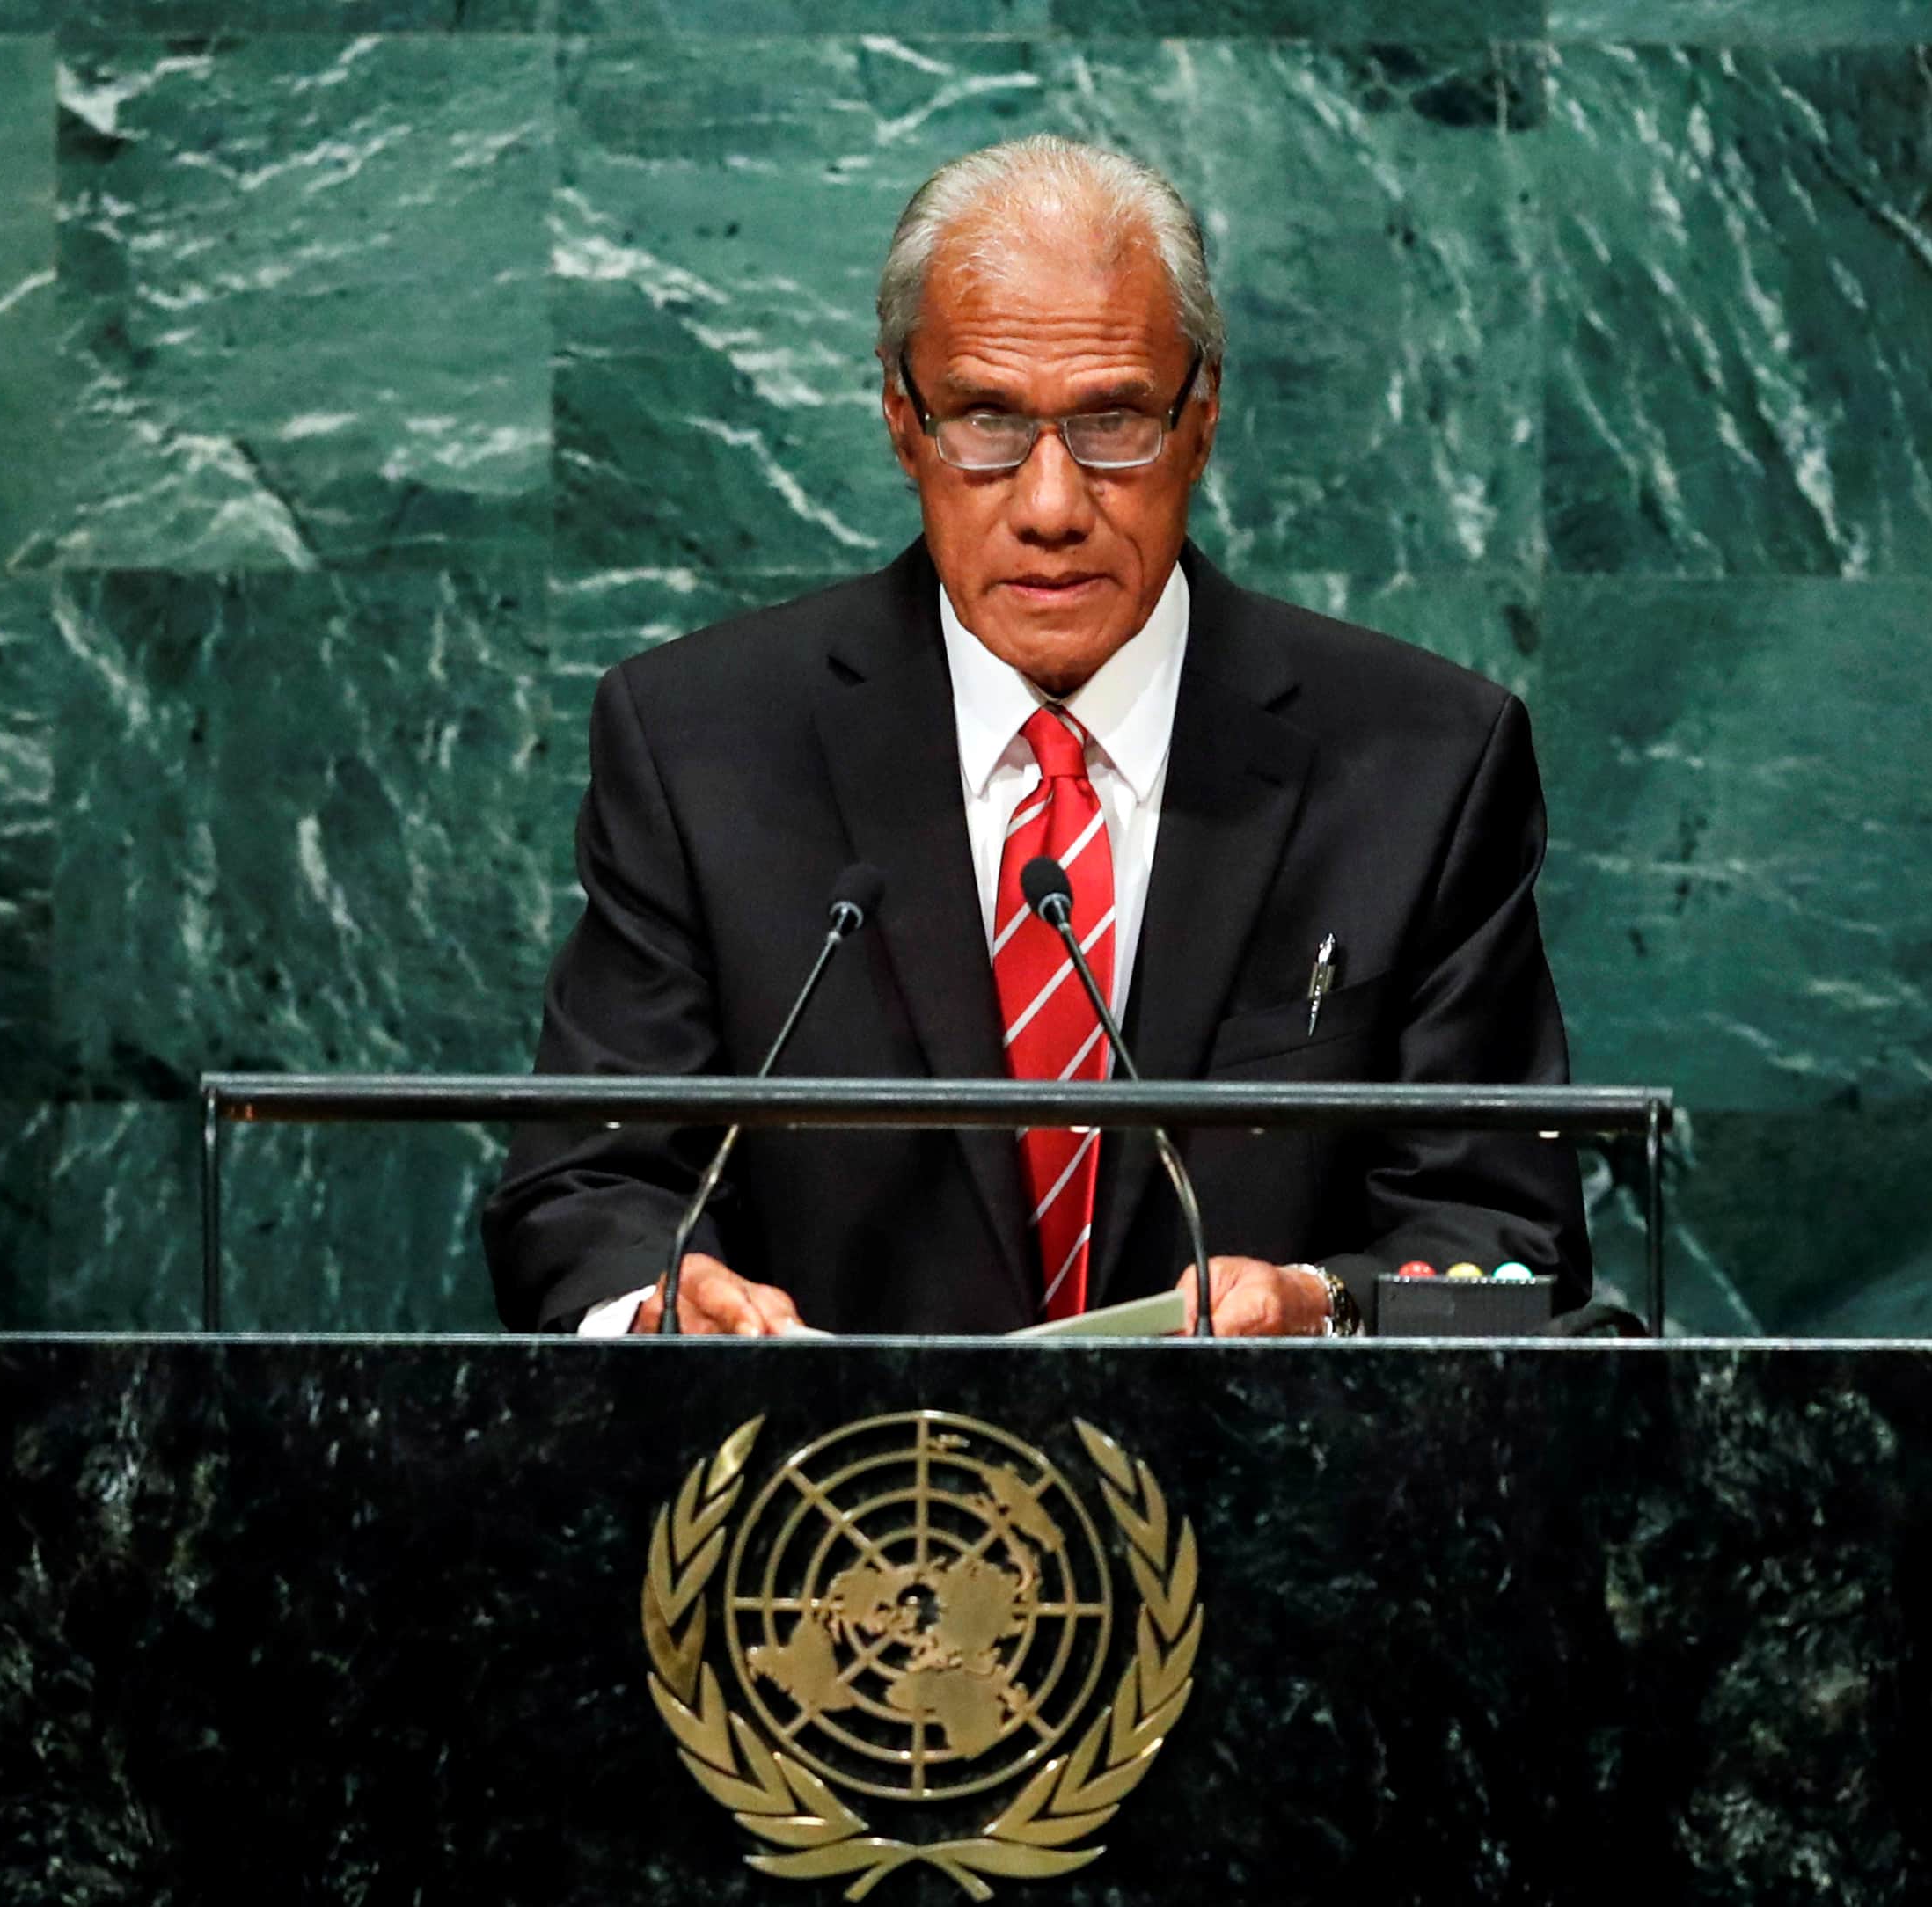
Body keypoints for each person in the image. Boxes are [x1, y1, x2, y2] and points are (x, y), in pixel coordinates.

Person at [482, 136, 1588, 1338]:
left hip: (1271, 1497)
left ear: (1201, 420)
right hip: (832, 1506)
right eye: (987, 423)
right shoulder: (701, 749)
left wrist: (1320, 1308)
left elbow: (1508, 1248)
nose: (1053, 505)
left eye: (1115, 423)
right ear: (903, 422)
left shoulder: (1422, 765)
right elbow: (583, 1189)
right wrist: (657, 1309)